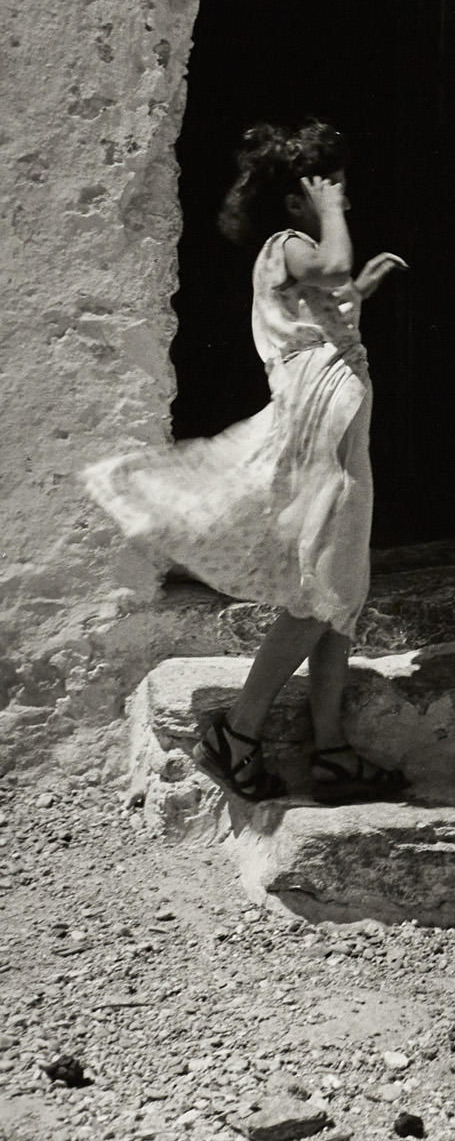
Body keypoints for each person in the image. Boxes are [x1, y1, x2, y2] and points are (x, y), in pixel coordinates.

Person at [83, 121, 408, 805]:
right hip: (320, 431)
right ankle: (239, 730)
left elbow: (326, 305)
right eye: (327, 191)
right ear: (297, 203)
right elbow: (330, 271)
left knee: (339, 595)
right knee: (321, 592)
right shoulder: (290, 245)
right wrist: (336, 226)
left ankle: (333, 751)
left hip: (339, 428)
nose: (338, 200)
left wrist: (362, 289)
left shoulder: (297, 259)